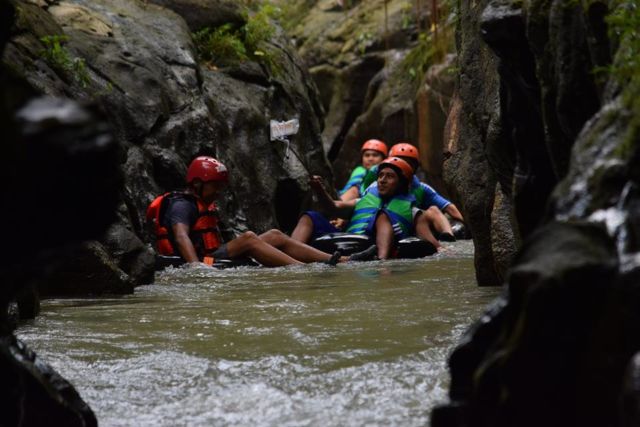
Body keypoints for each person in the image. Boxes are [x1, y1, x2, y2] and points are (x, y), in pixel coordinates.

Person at [146, 156, 344, 267]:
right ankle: (302, 269)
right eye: (214, 186)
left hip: (211, 254)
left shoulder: (202, 203)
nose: (218, 191)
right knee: (249, 238)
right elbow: (181, 237)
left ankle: (342, 260)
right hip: (202, 260)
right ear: (197, 183)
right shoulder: (182, 204)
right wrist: (196, 267)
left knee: (275, 235)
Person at [301, 157, 422, 260]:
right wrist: (319, 189)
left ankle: (382, 263)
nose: (382, 180)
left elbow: (430, 242)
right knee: (309, 217)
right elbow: (333, 207)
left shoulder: (413, 211)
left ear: (401, 184)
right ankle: (293, 253)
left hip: (371, 246)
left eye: (390, 176)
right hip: (347, 240)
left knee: (382, 216)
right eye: (380, 175)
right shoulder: (362, 201)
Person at [359, 142, 464, 247]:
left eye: (408, 162)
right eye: (398, 160)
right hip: (383, 226)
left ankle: (448, 237)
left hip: (414, 224)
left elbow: (449, 207)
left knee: (433, 210)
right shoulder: (376, 184)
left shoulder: (421, 188)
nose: (402, 165)